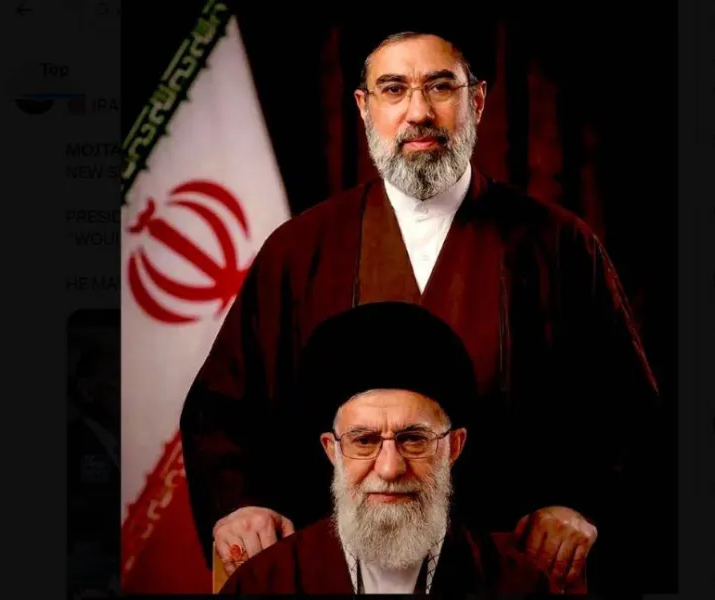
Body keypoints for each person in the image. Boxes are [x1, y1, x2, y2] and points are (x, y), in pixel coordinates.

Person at [181, 25, 662, 593]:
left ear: (476, 100)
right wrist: (240, 503)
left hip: (507, 575)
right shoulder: (299, 250)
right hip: (334, 575)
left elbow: (629, 416)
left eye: (439, 87)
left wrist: (579, 505)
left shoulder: (559, 246)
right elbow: (224, 411)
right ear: (364, 107)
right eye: (393, 89)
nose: (418, 113)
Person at [219, 302, 579, 595]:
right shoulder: (264, 585)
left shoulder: (521, 587)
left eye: (413, 439)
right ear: (332, 451)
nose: (390, 469)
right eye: (364, 441)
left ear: (454, 447)